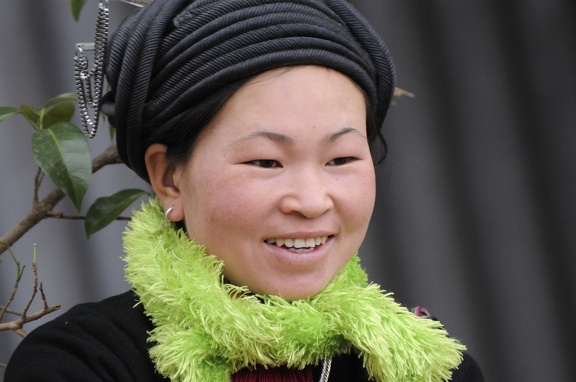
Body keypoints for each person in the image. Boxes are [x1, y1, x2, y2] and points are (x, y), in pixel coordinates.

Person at [6, 0, 484, 381]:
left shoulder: (429, 367)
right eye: (266, 162)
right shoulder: (85, 363)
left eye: (340, 159)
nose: (312, 201)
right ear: (169, 177)